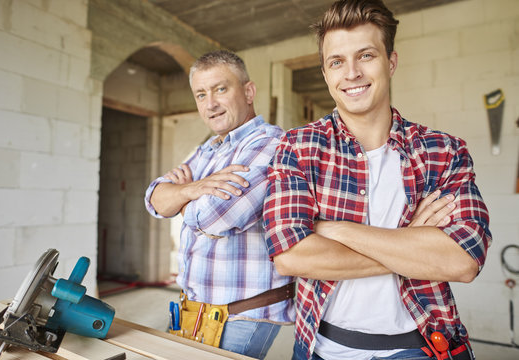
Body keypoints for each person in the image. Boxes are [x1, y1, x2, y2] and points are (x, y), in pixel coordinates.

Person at [263, 1, 492, 359]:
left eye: (365, 55)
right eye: (336, 61)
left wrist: (333, 229)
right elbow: (290, 257)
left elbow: (463, 261)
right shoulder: (299, 147)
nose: (351, 73)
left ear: (391, 62)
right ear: (326, 73)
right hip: (324, 349)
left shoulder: (443, 151)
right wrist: (414, 246)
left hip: (424, 347)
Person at [144, 50, 294, 359]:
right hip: (197, 309)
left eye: (220, 89)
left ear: (248, 92)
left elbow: (215, 218)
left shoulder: (270, 143)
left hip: (243, 314)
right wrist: (195, 190)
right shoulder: (208, 149)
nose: (210, 103)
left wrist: (182, 194)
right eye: (201, 94)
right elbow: (154, 199)